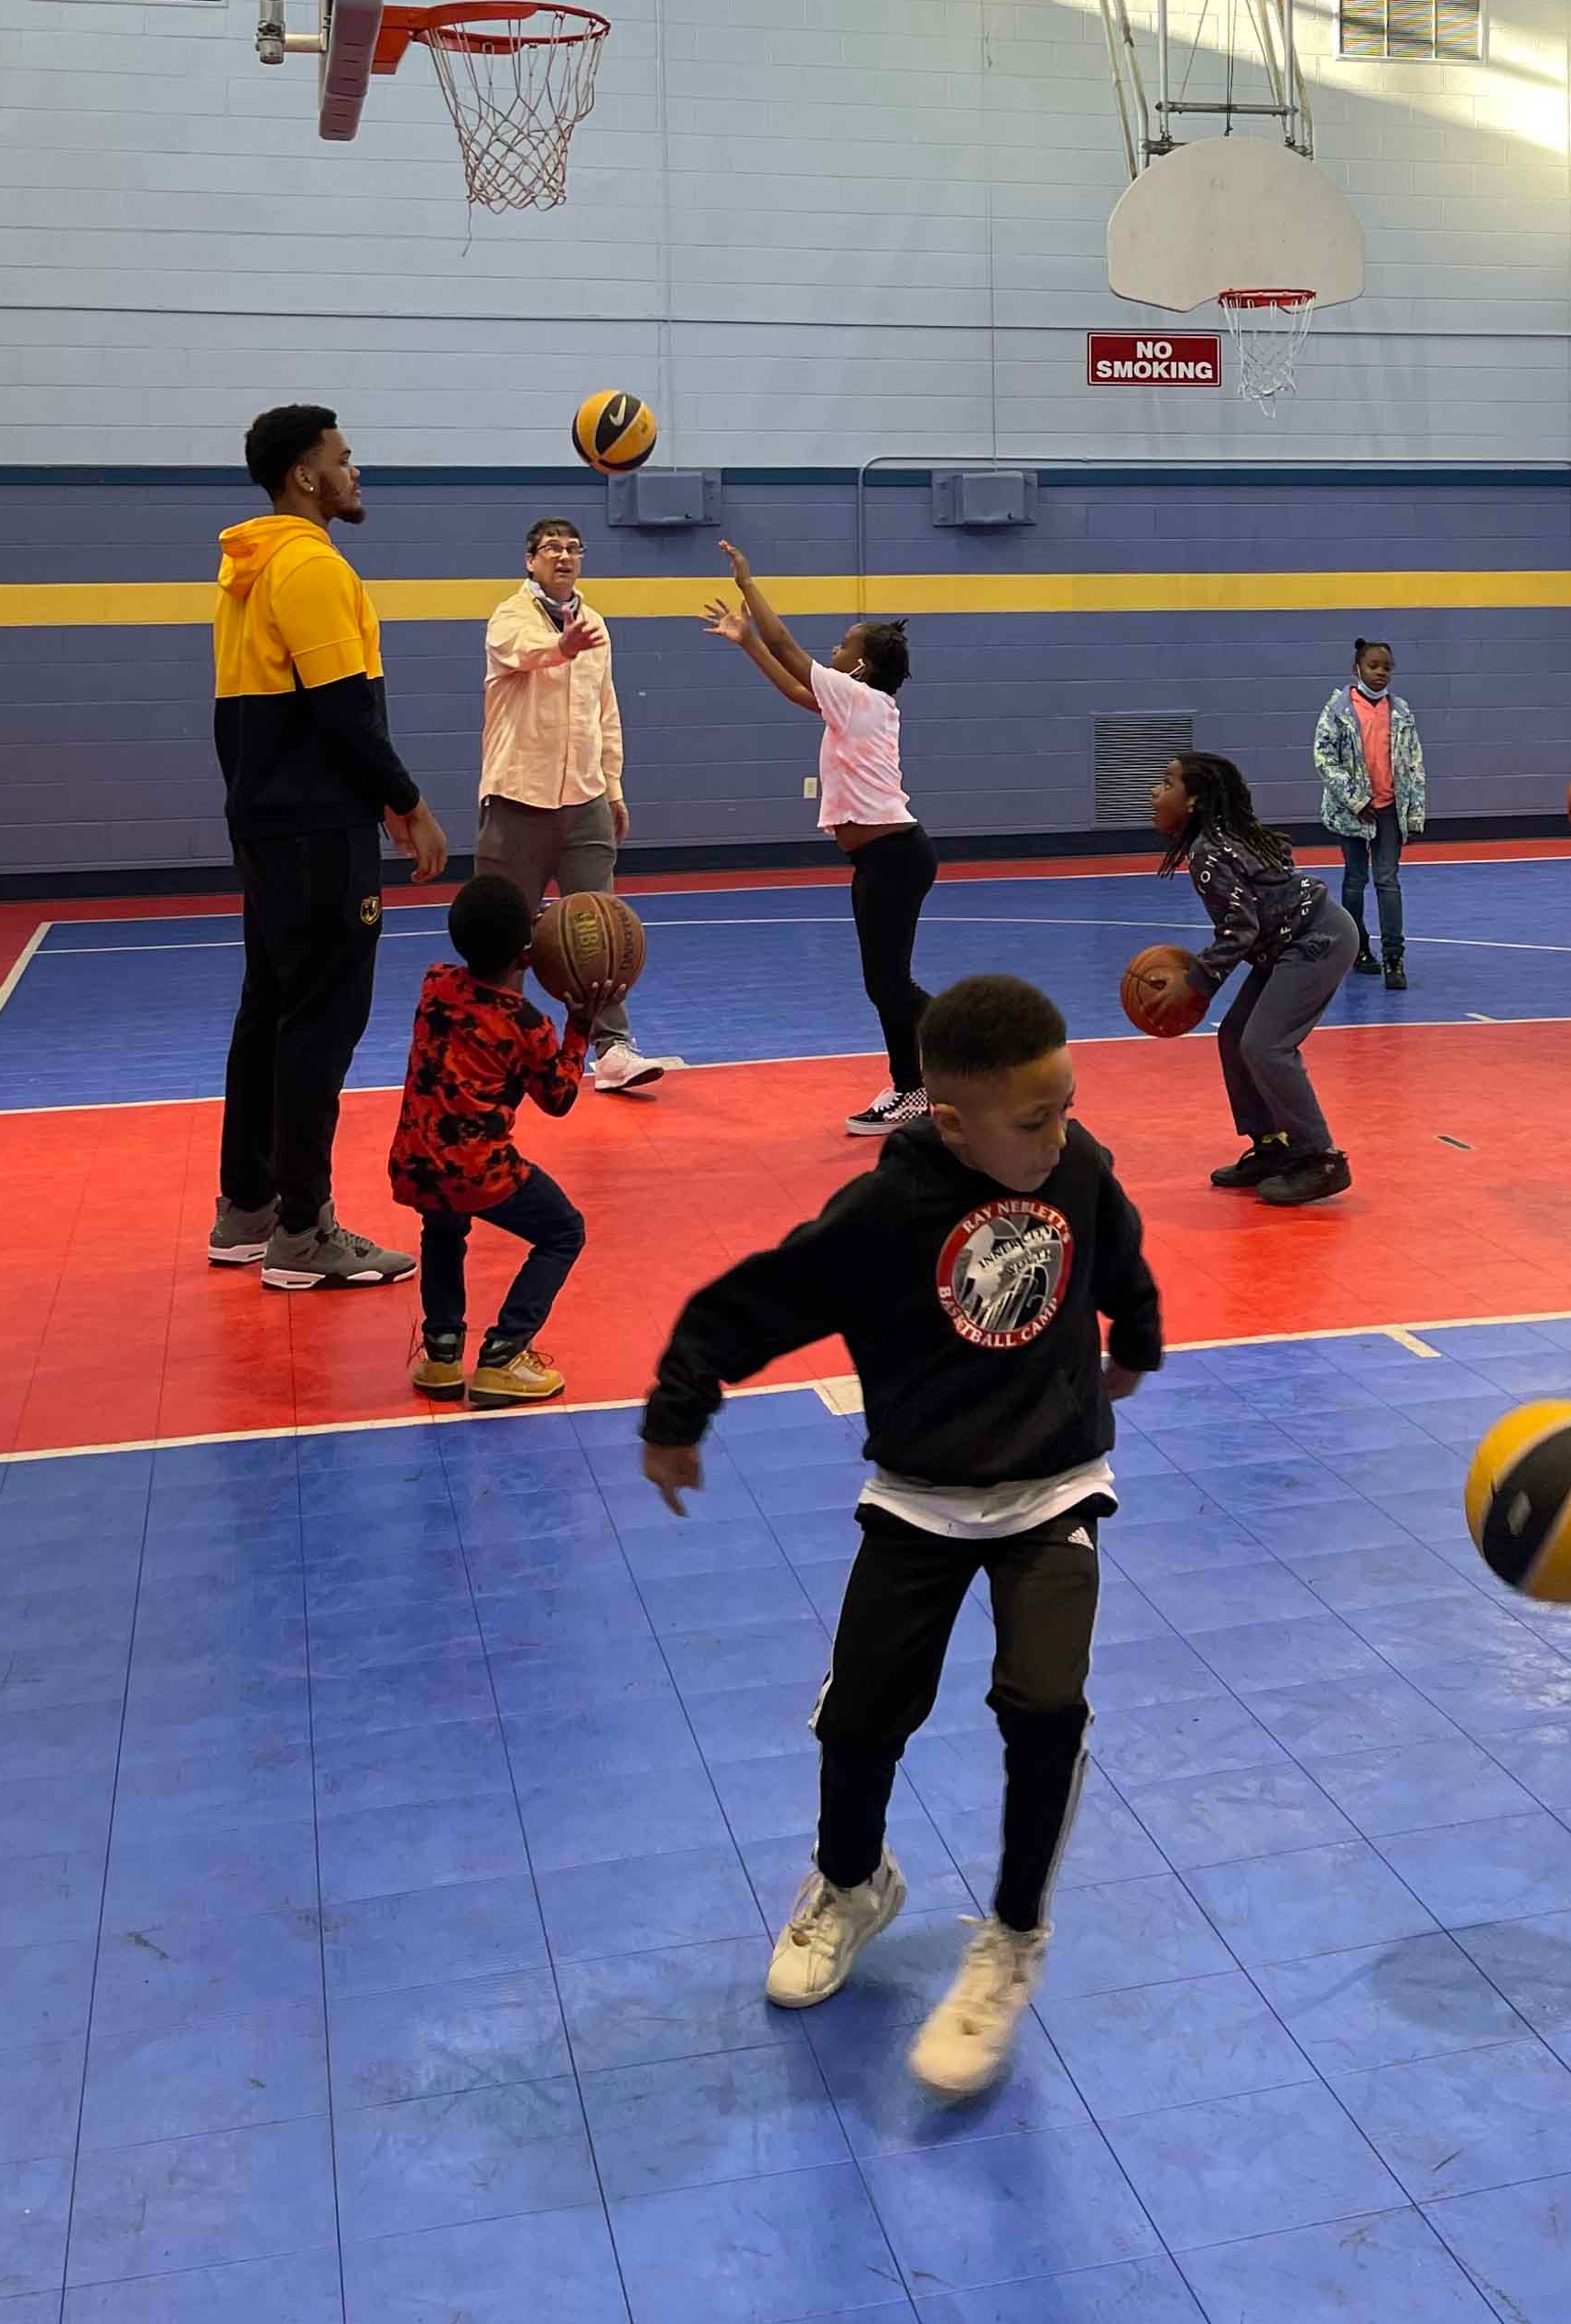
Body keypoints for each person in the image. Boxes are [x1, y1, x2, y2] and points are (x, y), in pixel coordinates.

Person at [639, 975, 1161, 2100]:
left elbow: (1118, 1251)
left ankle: (1015, 1935)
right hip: (920, 1495)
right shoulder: (885, 1217)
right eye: (1033, 1119)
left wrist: (1139, 1341)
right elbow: (755, 1301)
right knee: (865, 1711)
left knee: (1045, 1703)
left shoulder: (1078, 1167)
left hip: (1055, 1487)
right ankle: (851, 1882)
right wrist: (681, 1406)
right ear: (950, 1118)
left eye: (1067, 1104)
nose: (1060, 1132)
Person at [210, 405, 449, 1290]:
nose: (356, 474)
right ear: (306, 475)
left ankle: (248, 1209)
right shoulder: (309, 565)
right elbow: (343, 710)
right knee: (323, 1019)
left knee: (270, 1011)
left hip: (271, 823)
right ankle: (304, 1231)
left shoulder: (248, 566)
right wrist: (408, 803)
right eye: (345, 461)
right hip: (317, 830)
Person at [701, 541, 934, 1138]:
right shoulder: (858, 703)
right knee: (886, 983)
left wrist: (749, 587)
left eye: (843, 646)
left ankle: (928, 1076)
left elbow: (787, 649)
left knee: (888, 984)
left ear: (859, 666)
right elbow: (797, 691)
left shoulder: (859, 697)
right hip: (885, 859)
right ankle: (926, 1074)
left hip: (893, 858)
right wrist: (744, 640)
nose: (833, 651)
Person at [476, 517, 670, 1095]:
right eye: (551, 548)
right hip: (518, 794)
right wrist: (560, 646)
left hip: (584, 798)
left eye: (572, 548)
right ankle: (494, 1041)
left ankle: (610, 1049)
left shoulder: (597, 625)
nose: (563, 556)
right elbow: (522, 653)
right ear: (529, 561)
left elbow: (605, 713)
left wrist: (613, 787)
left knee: (598, 926)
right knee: (506, 931)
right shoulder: (509, 617)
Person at [388, 874, 591, 1407]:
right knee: (564, 1231)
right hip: (478, 1170)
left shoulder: (435, 984)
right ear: (525, 954)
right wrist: (580, 1027)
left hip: (416, 1161)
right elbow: (560, 1098)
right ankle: (504, 1353)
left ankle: (441, 1353)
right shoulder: (526, 1024)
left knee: (443, 1227)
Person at [1151, 751, 1356, 1207]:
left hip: (1317, 937)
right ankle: (1272, 1146)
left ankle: (1320, 1158)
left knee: (1265, 1045)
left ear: (1194, 801)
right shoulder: (1220, 838)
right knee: (1234, 1036)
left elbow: (1239, 929)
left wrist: (1196, 982)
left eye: (1166, 784)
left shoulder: (1208, 851)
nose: (1154, 793)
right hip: (1290, 940)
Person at [1313, 637, 1426, 991]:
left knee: (1387, 882)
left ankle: (1394, 958)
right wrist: (1355, 799)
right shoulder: (1338, 710)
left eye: (1387, 667)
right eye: (1373, 666)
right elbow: (1323, 759)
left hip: (1390, 811)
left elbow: (1414, 763)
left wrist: (1415, 813)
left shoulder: (1402, 711)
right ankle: (1357, 948)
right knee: (1355, 879)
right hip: (1353, 812)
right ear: (1357, 668)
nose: (1380, 673)